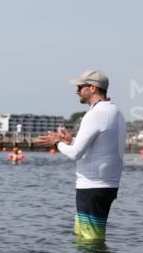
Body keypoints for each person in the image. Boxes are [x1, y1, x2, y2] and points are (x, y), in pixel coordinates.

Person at [38, 70, 125, 244]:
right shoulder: (115, 111)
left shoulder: (95, 114)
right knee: (85, 238)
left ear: (93, 88)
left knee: (90, 241)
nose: (77, 91)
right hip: (106, 185)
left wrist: (57, 143)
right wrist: (71, 140)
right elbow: (101, 146)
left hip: (92, 186)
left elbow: (75, 154)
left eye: (80, 87)